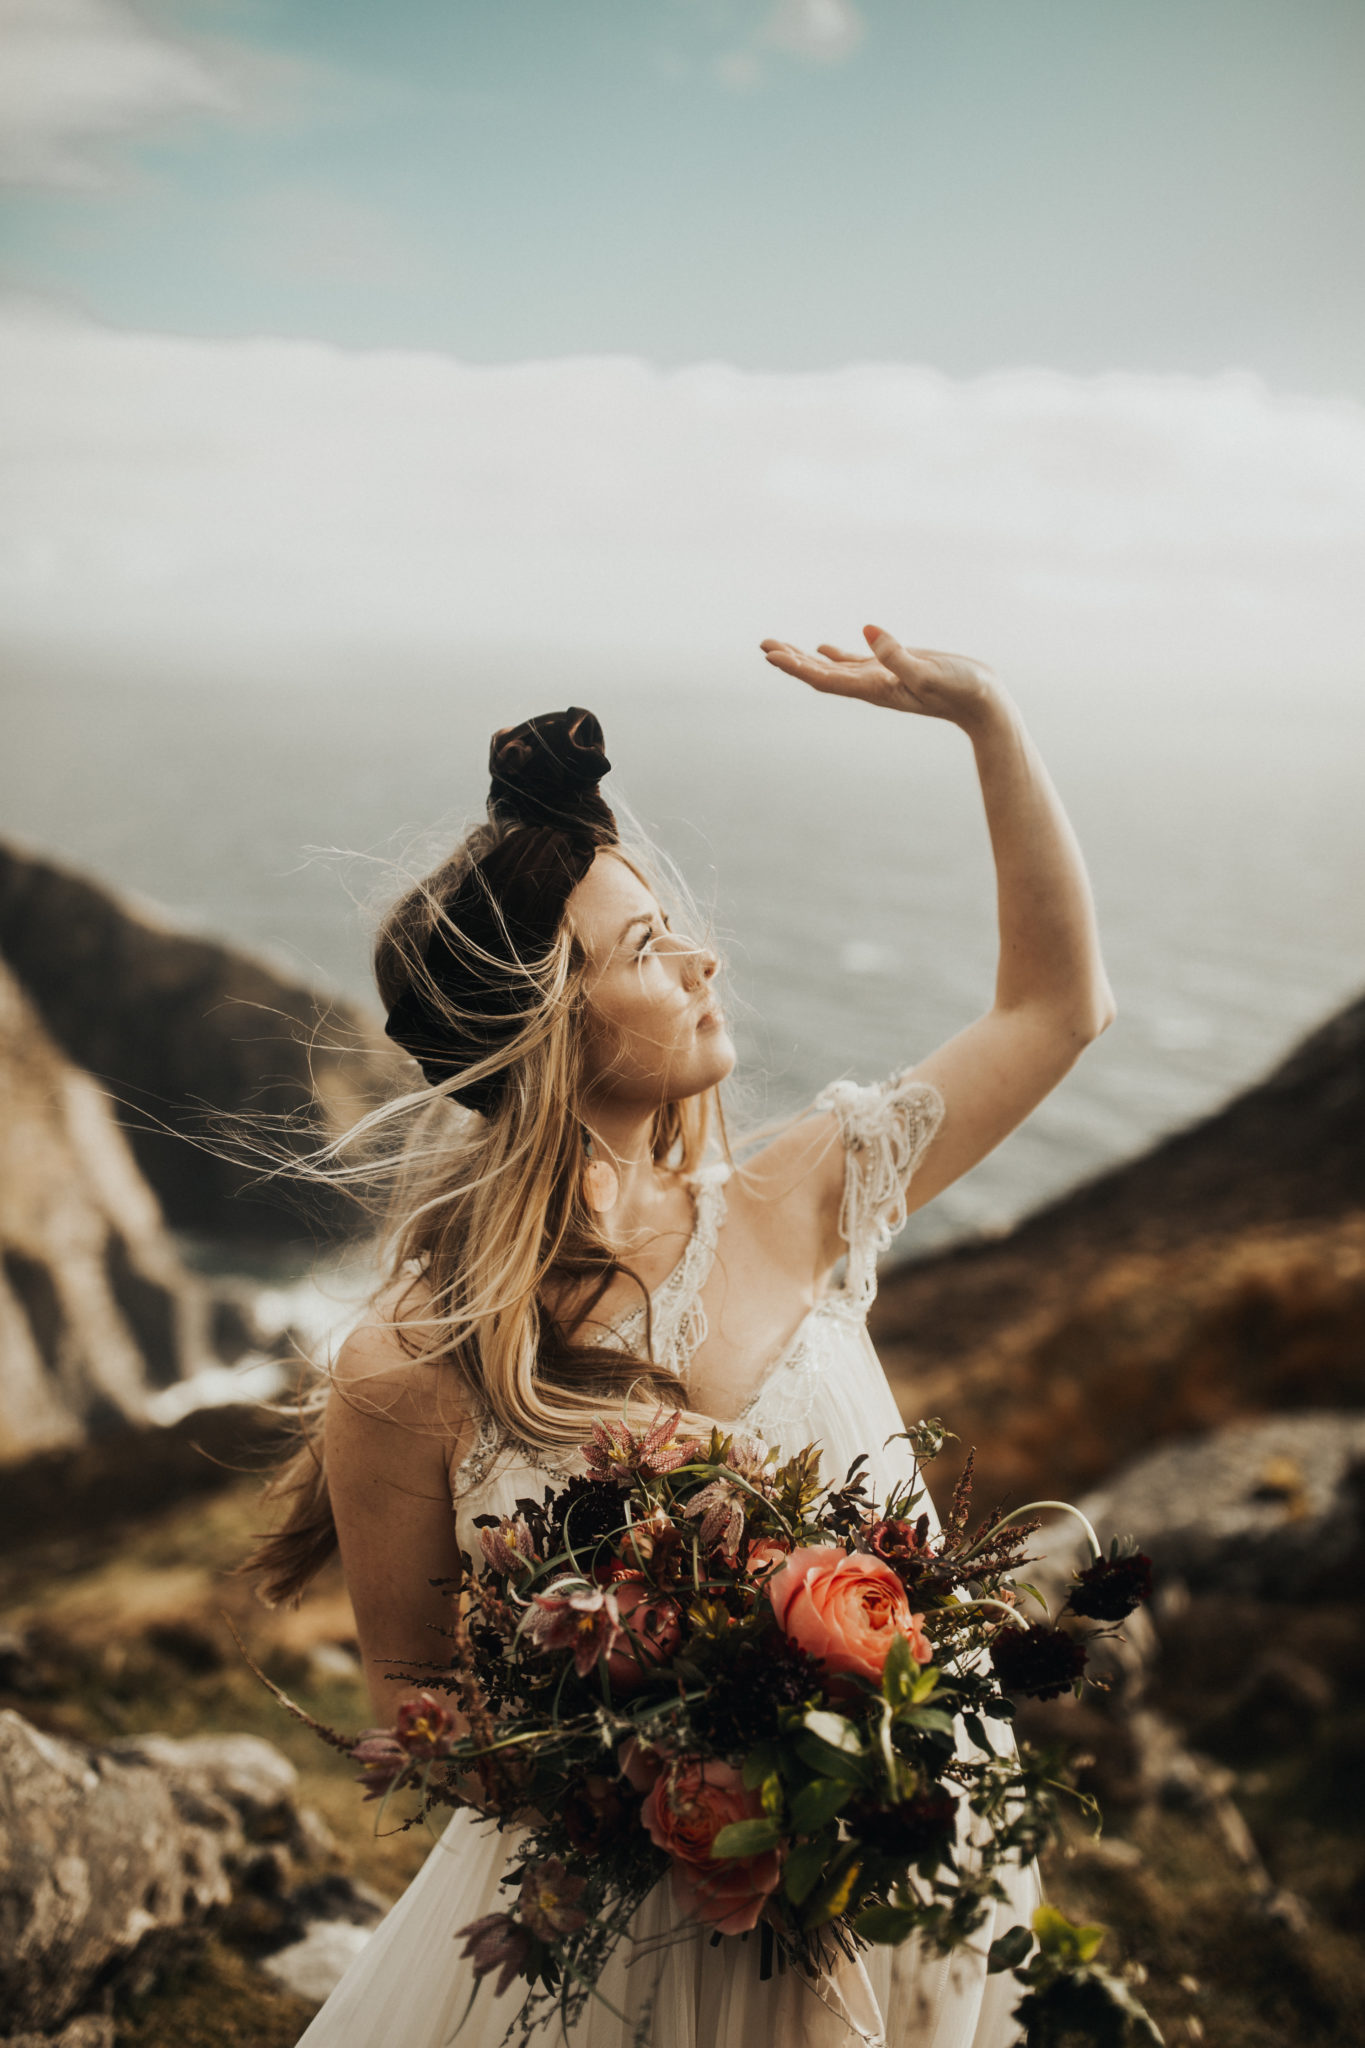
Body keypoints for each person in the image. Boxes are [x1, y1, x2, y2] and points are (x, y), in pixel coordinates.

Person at [251, 624, 1115, 2048]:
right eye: (647, 946)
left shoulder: (796, 1200)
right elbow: (418, 1712)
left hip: (893, 1865)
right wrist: (663, 1766)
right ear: (548, 1024)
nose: (703, 958)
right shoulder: (405, 1369)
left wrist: (986, 718)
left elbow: (1054, 1009)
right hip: (614, 1957)